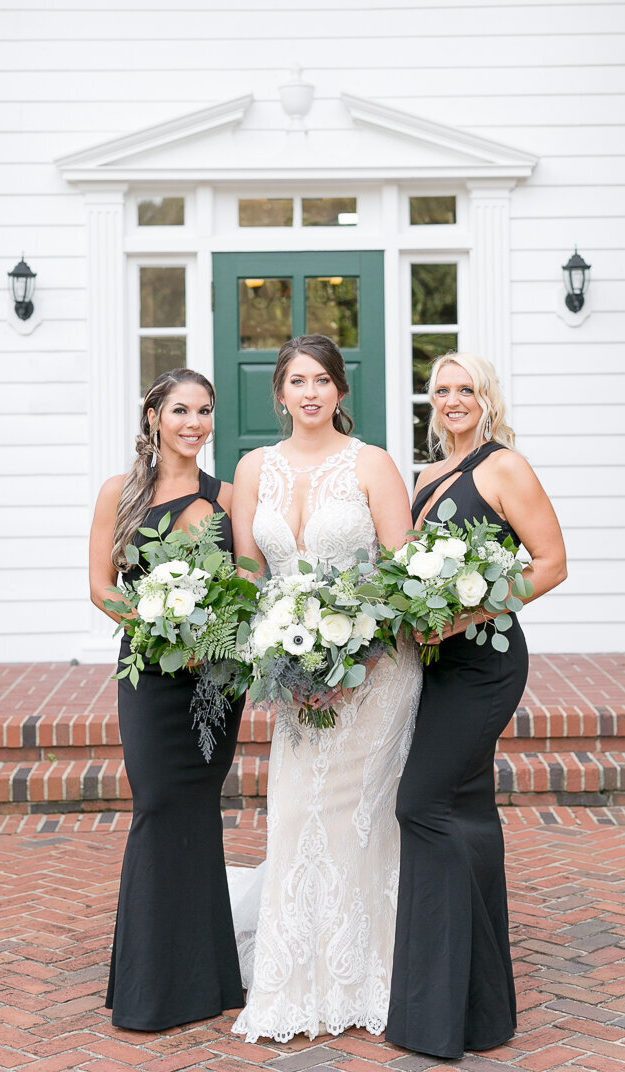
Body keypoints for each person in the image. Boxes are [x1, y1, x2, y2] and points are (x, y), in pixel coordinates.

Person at [229, 334, 422, 1044]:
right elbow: (250, 572)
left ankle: (365, 976)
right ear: (279, 394)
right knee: (293, 813)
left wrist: (357, 658)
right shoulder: (254, 468)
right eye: (296, 381)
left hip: (376, 674)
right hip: (295, 676)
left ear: (341, 391)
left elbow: (402, 574)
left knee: (357, 819)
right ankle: (297, 980)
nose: (310, 392)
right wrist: (274, 654)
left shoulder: (372, 464)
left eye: (322, 381)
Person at [386, 352, 567, 1060]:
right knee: (464, 809)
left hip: (487, 664)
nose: (454, 399)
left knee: (418, 804)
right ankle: (478, 1010)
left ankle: (441, 1003)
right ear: (431, 402)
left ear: (487, 399)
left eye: (468, 389)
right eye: (443, 390)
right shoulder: (424, 476)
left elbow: (551, 562)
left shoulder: (505, 468)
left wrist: (471, 611)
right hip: (435, 666)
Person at [89, 368, 245, 1031]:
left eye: (205, 411)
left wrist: (209, 630)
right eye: (180, 409)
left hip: (212, 680)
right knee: (155, 804)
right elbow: (100, 587)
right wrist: (155, 623)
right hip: (149, 673)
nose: (194, 423)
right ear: (153, 417)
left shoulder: (230, 497)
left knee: (198, 812)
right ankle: (151, 985)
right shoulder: (118, 494)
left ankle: (205, 978)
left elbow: (249, 579)